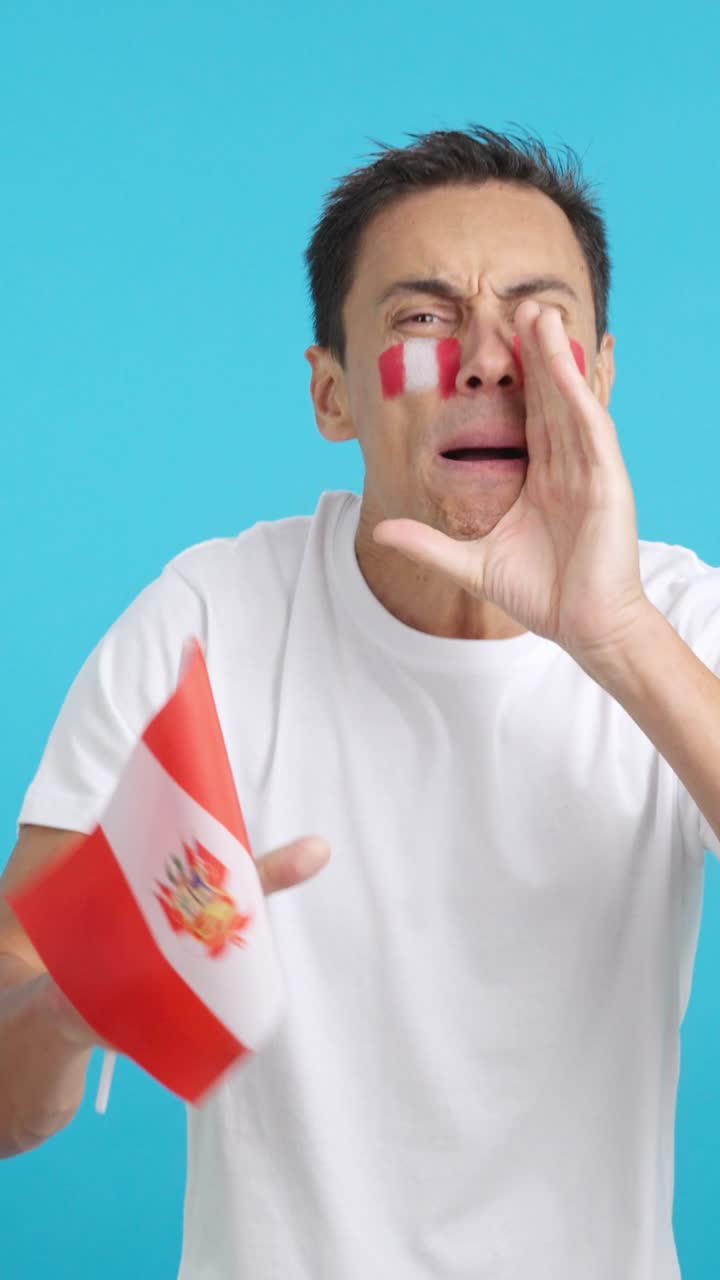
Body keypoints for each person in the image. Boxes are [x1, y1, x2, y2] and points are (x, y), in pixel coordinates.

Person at [0, 122, 718, 1280]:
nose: (489, 361)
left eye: (539, 322)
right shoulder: (208, 619)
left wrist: (617, 633)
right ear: (331, 391)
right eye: (424, 319)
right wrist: (85, 998)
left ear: (603, 375)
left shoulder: (682, 624)